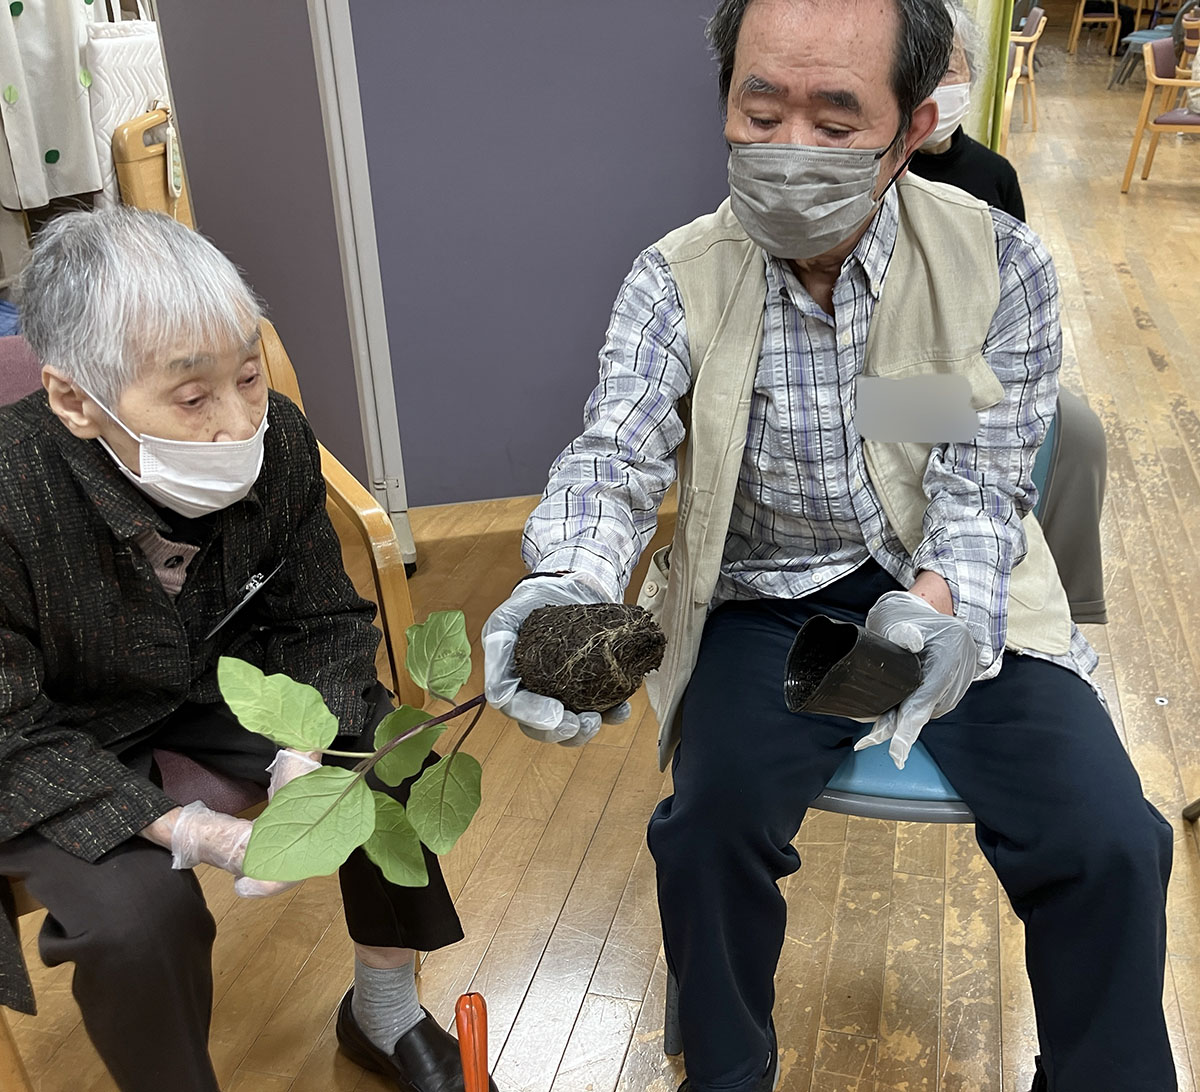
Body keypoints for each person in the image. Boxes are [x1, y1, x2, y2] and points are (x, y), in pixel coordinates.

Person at [483, 1, 1175, 1090]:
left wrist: (941, 599)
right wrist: (565, 579)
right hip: (763, 596)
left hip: (945, 588)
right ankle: (725, 1070)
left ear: (910, 129)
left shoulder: (997, 267)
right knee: (706, 831)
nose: (789, 149)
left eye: (836, 120)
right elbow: (615, 453)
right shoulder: (676, 281)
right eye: (761, 111)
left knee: (1113, 843)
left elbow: (979, 478)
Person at [0, 208, 496, 1092]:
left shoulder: (278, 441)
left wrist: (305, 750)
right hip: (51, 729)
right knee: (137, 918)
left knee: (387, 763)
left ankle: (382, 1011)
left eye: (248, 377)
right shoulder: (10, 491)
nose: (238, 424)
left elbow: (322, 618)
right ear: (75, 398)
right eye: (192, 399)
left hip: (210, 678)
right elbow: (7, 727)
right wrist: (186, 829)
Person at [908, 4, 1026, 220]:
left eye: (947, 71)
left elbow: (1014, 251)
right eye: (919, 72)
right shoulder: (880, 174)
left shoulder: (997, 174)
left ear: (971, 76)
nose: (932, 89)